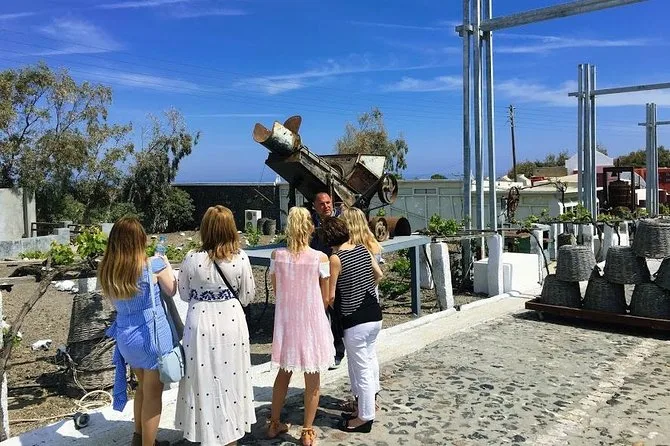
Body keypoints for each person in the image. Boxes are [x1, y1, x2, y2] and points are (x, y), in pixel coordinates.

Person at [175, 205, 257, 446]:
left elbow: (183, 293)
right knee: (232, 380)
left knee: (203, 380)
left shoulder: (192, 258)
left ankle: (207, 433)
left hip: (200, 323)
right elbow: (247, 296)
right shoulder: (240, 258)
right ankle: (231, 435)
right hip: (231, 321)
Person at [100, 216, 177, 446]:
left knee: (142, 388)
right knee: (154, 396)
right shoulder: (152, 265)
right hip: (151, 337)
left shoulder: (108, 270)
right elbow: (172, 289)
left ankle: (139, 436)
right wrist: (165, 262)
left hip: (125, 336)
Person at [267, 206, 335, 446]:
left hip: (287, 322)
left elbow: (277, 289)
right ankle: (307, 431)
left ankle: (274, 423)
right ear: (309, 228)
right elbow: (325, 297)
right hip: (311, 320)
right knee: (312, 377)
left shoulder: (277, 256)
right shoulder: (320, 258)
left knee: (283, 373)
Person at [322, 217, 383, 434]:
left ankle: (365, 417)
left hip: (354, 319)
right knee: (370, 360)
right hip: (374, 313)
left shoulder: (336, 258)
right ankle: (368, 405)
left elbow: (330, 295)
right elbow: (378, 274)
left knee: (361, 369)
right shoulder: (362, 249)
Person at [309, 191, 345, 368]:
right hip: (318, 273)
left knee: (336, 312)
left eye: (328, 202)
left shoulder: (341, 221)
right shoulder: (311, 223)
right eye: (322, 204)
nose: (326, 206)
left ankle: (338, 351)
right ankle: (322, 349)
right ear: (315, 206)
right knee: (321, 314)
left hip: (336, 272)